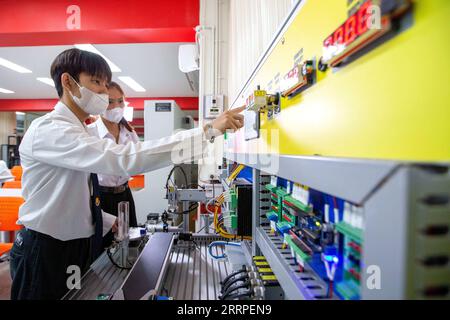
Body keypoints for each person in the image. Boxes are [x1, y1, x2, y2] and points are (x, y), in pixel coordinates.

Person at [9, 48, 244, 300]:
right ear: (68, 82)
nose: (102, 92)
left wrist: (108, 221)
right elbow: (126, 159)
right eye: (95, 82)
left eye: (105, 84)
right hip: (46, 250)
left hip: (74, 246)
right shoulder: (50, 130)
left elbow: (74, 196)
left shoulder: (79, 132)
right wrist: (205, 131)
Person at [87, 81, 139, 248]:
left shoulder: (129, 133)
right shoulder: (90, 132)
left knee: (131, 243)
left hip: (124, 195)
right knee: (102, 247)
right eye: (110, 101)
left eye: (120, 101)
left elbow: (138, 161)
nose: (117, 106)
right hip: (100, 198)